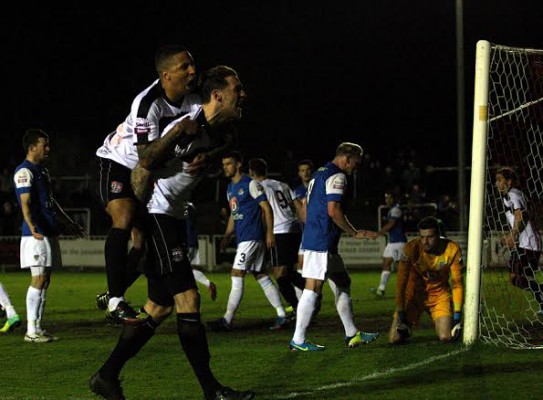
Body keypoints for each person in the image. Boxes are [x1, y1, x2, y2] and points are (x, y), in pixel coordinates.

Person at [90, 65, 255, 400]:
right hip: (157, 215)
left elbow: (216, 151)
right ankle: (212, 390)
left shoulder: (226, 135)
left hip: (175, 216)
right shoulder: (180, 119)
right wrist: (139, 221)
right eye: (238, 88)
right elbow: (143, 166)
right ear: (217, 95)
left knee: (158, 306)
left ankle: (106, 376)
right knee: (188, 298)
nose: (243, 95)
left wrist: (209, 158)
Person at [94, 44, 201, 323]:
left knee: (142, 248)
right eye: (184, 67)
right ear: (166, 75)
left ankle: (112, 293)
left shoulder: (195, 96)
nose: (192, 71)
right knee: (124, 215)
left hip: (149, 172)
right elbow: (146, 158)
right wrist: (179, 132)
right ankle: (116, 301)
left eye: (192, 65)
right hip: (118, 162)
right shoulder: (147, 103)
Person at [289, 142, 380, 351]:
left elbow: (307, 206)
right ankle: (298, 339)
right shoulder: (338, 176)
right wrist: (354, 232)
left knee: (342, 281)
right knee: (313, 287)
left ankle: (351, 334)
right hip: (321, 241)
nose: (356, 167)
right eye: (356, 163)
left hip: (320, 238)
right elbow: (333, 210)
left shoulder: (320, 173)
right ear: (347, 159)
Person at [13, 129, 85, 343]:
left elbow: (51, 204)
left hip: (49, 230)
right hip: (36, 234)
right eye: (44, 145)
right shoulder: (24, 172)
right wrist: (32, 226)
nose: (48, 149)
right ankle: (31, 331)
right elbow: (24, 203)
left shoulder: (42, 171)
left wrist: (69, 223)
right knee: (38, 278)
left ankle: (38, 328)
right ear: (31, 147)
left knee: (46, 280)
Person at [207, 151, 288, 332]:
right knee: (261, 275)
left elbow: (266, 209)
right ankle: (282, 314)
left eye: (228, 163)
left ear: (238, 165)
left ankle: (227, 319)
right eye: (224, 164)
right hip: (245, 238)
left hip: (252, 237)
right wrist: (227, 236)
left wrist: (269, 233)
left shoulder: (250, 184)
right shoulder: (229, 188)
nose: (225, 167)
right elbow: (233, 215)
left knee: (236, 274)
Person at [388, 216, 463, 344]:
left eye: (430, 237)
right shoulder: (410, 249)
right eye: (422, 237)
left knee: (446, 337)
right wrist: (401, 313)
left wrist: (457, 316)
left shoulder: (452, 249)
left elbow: (457, 284)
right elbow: (401, 283)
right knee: (394, 339)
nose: (425, 241)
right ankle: (408, 324)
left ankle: (454, 319)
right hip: (414, 296)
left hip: (439, 296)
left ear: (438, 235)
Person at [248, 158, 305, 316]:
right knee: (289, 271)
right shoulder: (281, 184)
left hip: (279, 231)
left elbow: (265, 210)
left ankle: (300, 304)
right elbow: (298, 205)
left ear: (251, 172)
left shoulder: (256, 186)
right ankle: (308, 294)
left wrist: (269, 232)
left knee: (280, 275)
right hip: (294, 229)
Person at [495, 167, 543, 315]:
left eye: (500, 180)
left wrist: (513, 235)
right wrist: (511, 235)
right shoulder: (514, 195)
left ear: (509, 181)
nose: (497, 183)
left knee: (516, 277)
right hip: (528, 243)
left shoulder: (512, 194)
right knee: (521, 278)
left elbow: (519, 215)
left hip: (528, 243)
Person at [372, 191, 407, 297]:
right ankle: (381, 289)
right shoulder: (392, 210)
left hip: (399, 242)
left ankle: (407, 290)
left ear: (394, 199)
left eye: (389, 198)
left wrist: (378, 233)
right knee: (386, 263)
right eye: (386, 198)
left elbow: (391, 224)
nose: (387, 200)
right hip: (392, 242)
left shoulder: (396, 209)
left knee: (400, 267)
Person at [186, 201, 217, 301]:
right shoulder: (192, 206)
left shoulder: (182, 207)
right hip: (194, 241)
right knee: (193, 270)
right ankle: (208, 284)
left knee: (180, 270)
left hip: (186, 243)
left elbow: (186, 226)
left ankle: (191, 296)